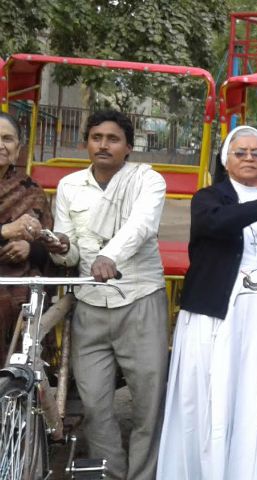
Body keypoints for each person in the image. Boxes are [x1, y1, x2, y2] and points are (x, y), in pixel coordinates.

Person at [156, 125, 257, 479]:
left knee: (251, 399)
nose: (248, 159)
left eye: (256, 154)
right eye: (240, 152)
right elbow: (220, 225)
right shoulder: (208, 198)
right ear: (226, 159)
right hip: (215, 315)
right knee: (208, 398)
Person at [45, 110, 168, 480]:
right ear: (86, 143)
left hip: (140, 299)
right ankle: (109, 474)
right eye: (96, 137)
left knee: (148, 404)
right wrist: (57, 245)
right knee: (95, 405)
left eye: (113, 139)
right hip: (89, 305)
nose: (103, 144)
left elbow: (141, 225)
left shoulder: (148, 181)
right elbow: (69, 253)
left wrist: (109, 256)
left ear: (128, 147)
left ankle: (143, 476)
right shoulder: (69, 186)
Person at [0, 112, 53, 361]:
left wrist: (29, 249)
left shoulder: (30, 191)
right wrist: (5, 232)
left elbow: (50, 245)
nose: (1, 145)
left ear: (18, 148)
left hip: (17, 287)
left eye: (7, 139)